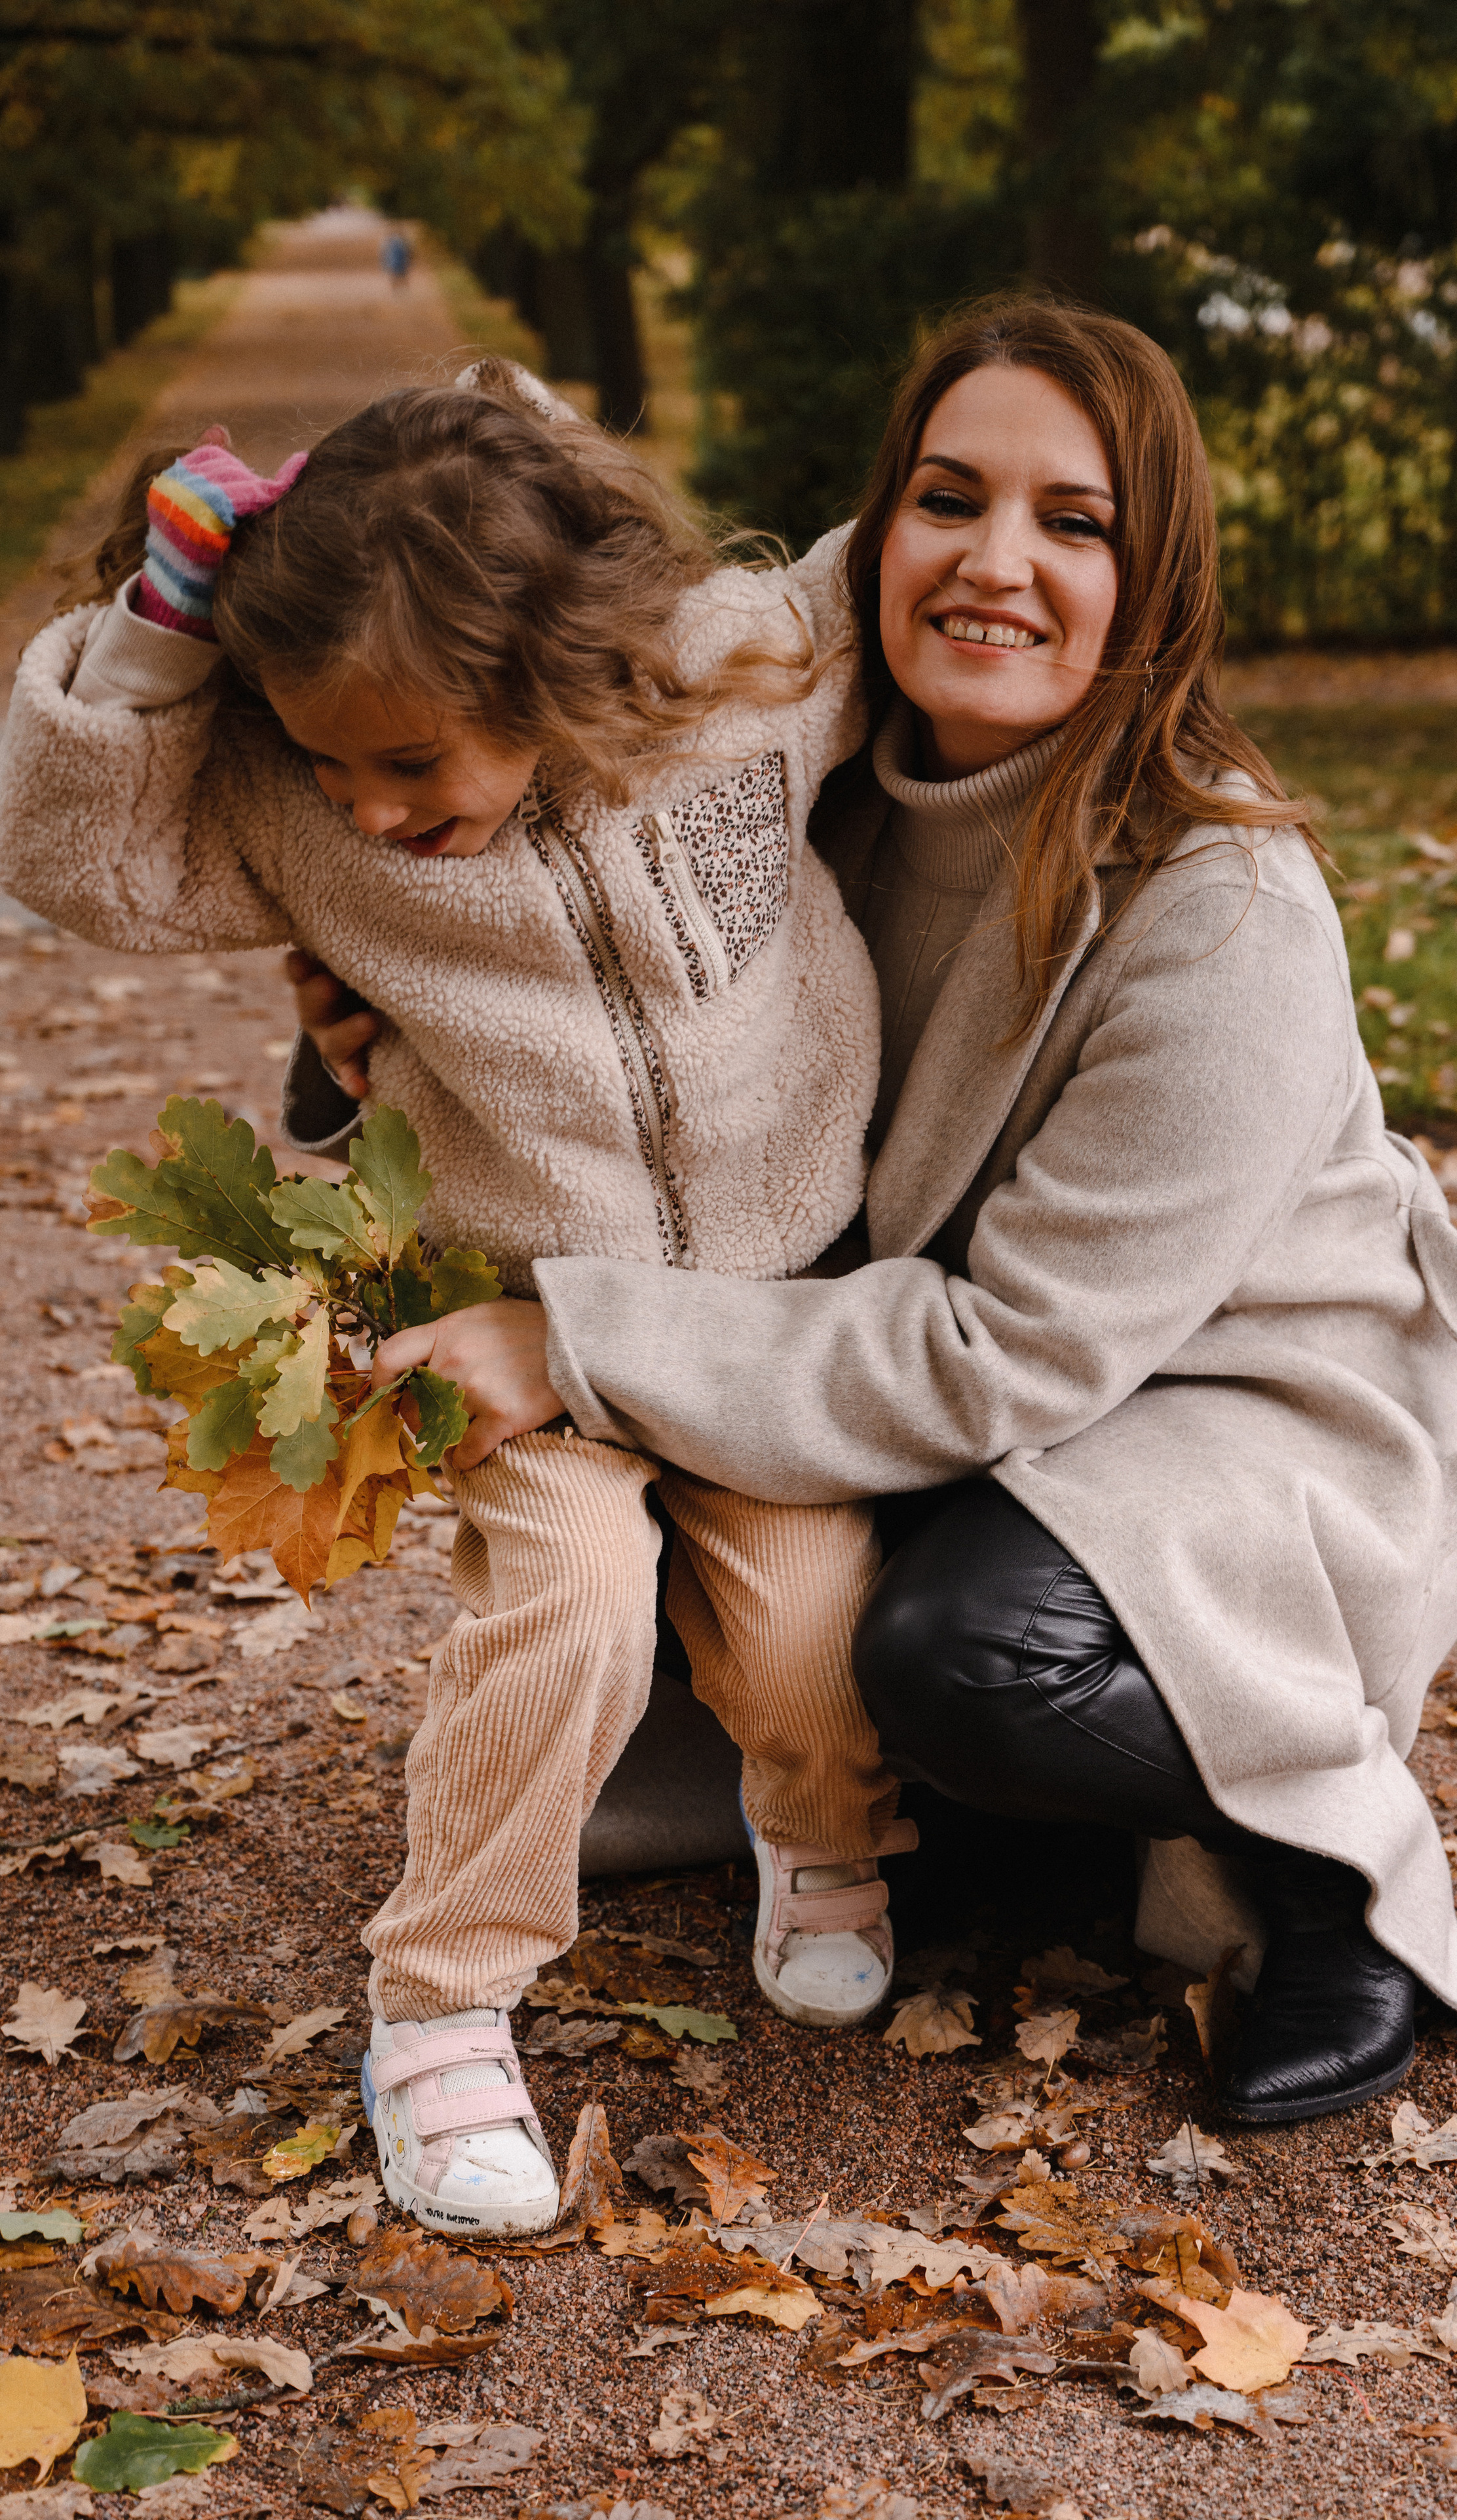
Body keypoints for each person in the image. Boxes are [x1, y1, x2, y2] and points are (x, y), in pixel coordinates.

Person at [292, 298, 1457, 2127]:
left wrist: (565, 1341)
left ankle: (1315, 1868)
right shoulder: (787, 788)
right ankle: (955, 1825)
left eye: (1075, 522)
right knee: (736, 1587)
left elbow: (1014, 1347)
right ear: (873, 533)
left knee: (961, 1650)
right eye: (949, 499)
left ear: (1160, 579)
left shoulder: (1227, 909)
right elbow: (614, 1070)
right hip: (909, 1350)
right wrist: (354, 1060)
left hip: (1219, 1393)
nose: (995, 562)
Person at [0, 360, 921, 2239]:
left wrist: (540, 447)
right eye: (335, 761)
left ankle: (820, 1840)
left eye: (411, 760)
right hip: (521, 1328)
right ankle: (442, 2001)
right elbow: (66, 857)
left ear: (554, 662)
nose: (373, 803)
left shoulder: (724, 690)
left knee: (817, 1621)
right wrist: (160, 640)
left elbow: (864, 579)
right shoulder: (295, 808)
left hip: (773, 1313)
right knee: (570, 1615)